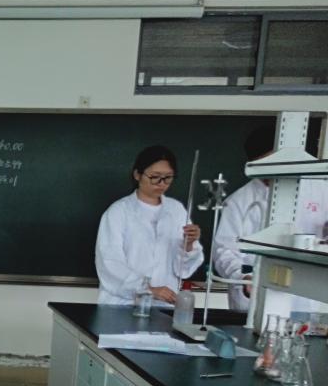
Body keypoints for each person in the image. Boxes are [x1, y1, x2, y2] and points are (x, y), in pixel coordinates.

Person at [213, 125, 328, 313]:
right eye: (266, 163)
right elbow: (224, 250)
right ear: (254, 163)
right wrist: (243, 277)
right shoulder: (239, 202)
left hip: (305, 297)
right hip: (255, 294)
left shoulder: (320, 188)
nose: (275, 168)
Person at [95, 145, 203, 306]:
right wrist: (147, 289)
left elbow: (183, 270)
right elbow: (110, 263)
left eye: (168, 177)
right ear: (137, 175)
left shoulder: (176, 210)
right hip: (122, 304)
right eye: (155, 177)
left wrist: (189, 245)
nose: (161, 183)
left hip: (164, 305)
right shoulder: (118, 212)